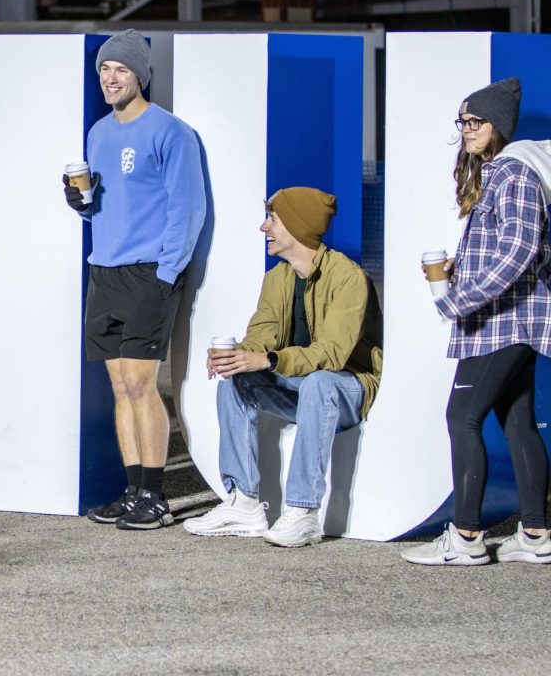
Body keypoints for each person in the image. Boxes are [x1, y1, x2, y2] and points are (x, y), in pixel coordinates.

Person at [182, 187, 383, 547]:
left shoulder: (348, 277)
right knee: (236, 381)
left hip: (347, 389)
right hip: (301, 389)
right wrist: (239, 356)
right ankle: (243, 502)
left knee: (320, 381)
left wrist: (271, 360)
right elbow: (263, 333)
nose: (264, 228)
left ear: (298, 225)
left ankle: (303, 512)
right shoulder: (278, 278)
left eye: (272, 220)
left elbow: (333, 355)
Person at [403, 77, 551, 566]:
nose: (466, 130)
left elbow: (517, 251)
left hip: (502, 321)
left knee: (461, 418)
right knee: (517, 421)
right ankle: (534, 536)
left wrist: (458, 298)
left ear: (498, 126)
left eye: (475, 121)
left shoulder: (514, 175)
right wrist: (456, 271)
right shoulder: (502, 173)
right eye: (462, 121)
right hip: (511, 318)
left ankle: (465, 537)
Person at [62, 29, 205, 530]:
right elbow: (104, 205)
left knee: (142, 385)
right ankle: (131, 490)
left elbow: (188, 209)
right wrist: (80, 206)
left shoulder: (171, 132)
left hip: (150, 272)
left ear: (140, 75)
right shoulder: (98, 133)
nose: (110, 77)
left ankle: (156, 497)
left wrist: (167, 273)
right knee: (120, 385)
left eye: (121, 69)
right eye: (104, 69)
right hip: (105, 270)